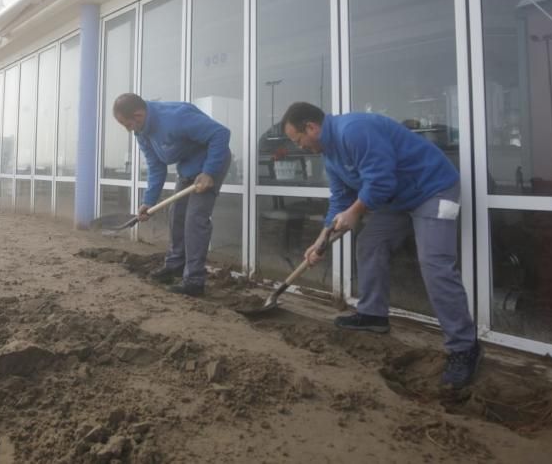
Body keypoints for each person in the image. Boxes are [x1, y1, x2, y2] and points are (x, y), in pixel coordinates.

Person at [281, 102, 482, 389]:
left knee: (435, 263)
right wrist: (320, 239)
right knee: (370, 242)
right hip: (399, 199)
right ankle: (373, 315)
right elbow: (340, 199)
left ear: (311, 127)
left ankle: (465, 347)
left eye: (297, 139)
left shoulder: (354, 131)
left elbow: (380, 181)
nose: (299, 146)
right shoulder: (330, 156)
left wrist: (355, 211)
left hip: (434, 188)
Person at [112, 93, 231, 296]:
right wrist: (148, 202)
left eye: (126, 123)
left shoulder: (176, 117)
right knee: (176, 215)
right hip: (187, 168)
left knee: (195, 220)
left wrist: (209, 172)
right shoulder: (141, 133)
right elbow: (156, 167)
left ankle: (194, 280)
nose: (126, 129)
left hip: (211, 164)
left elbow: (220, 133)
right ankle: (175, 265)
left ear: (138, 115)